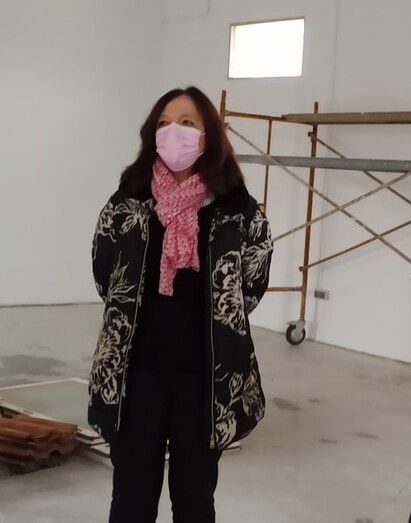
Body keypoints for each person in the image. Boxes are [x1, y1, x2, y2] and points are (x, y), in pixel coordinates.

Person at [88, 86, 273, 522]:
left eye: (187, 123)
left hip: (205, 381)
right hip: (135, 377)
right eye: (164, 123)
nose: (174, 131)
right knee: (130, 501)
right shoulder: (128, 201)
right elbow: (105, 272)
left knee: (194, 502)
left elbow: (252, 283)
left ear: (208, 136)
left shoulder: (238, 210)